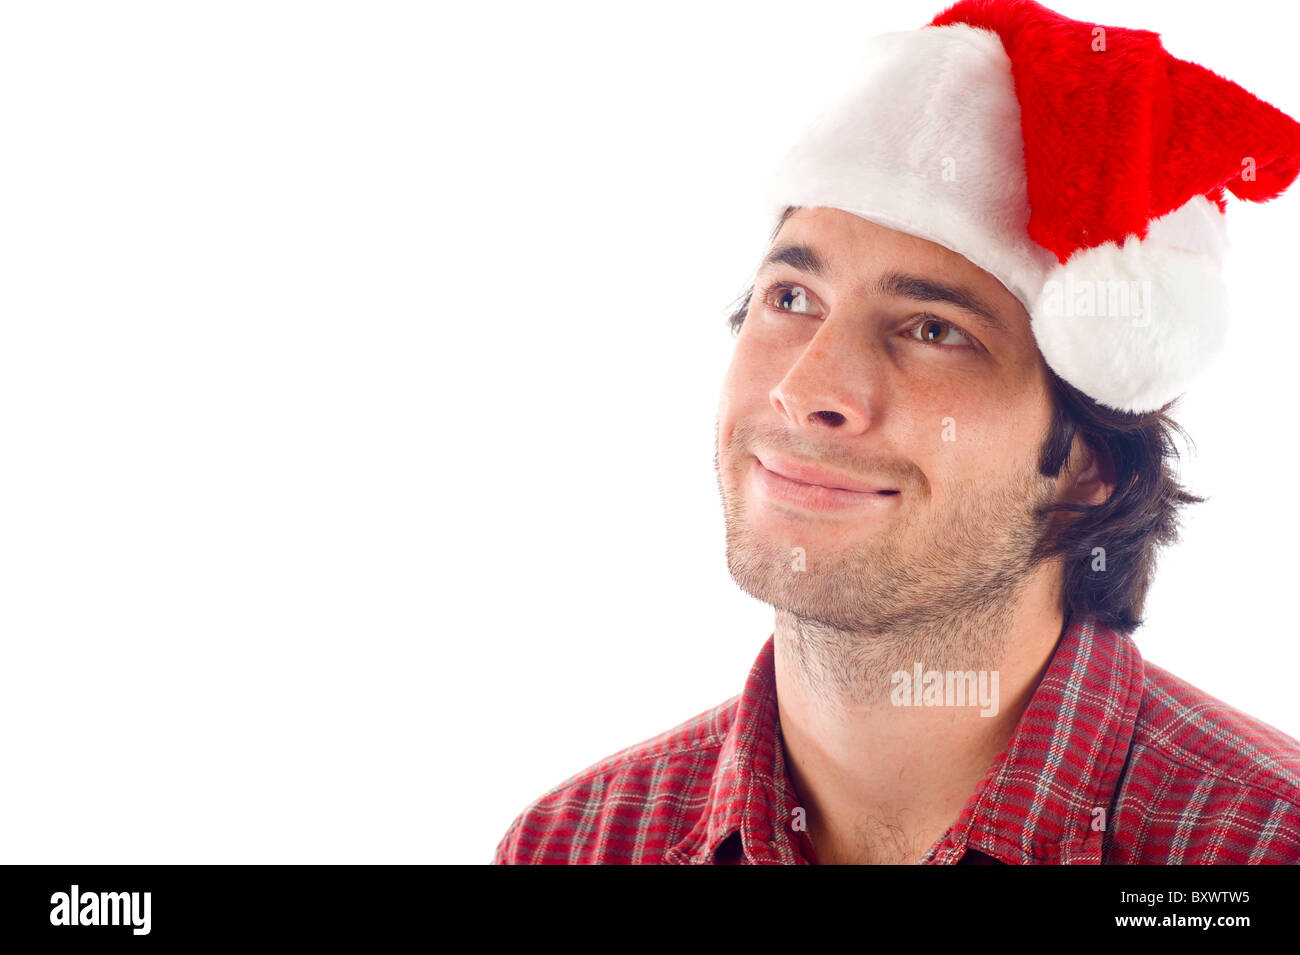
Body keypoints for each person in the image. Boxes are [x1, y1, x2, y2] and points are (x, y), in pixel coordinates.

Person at [492, 0, 1300, 864]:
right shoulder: (575, 842)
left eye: (933, 329)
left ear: (1091, 458)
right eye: (792, 299)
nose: (807, 391)